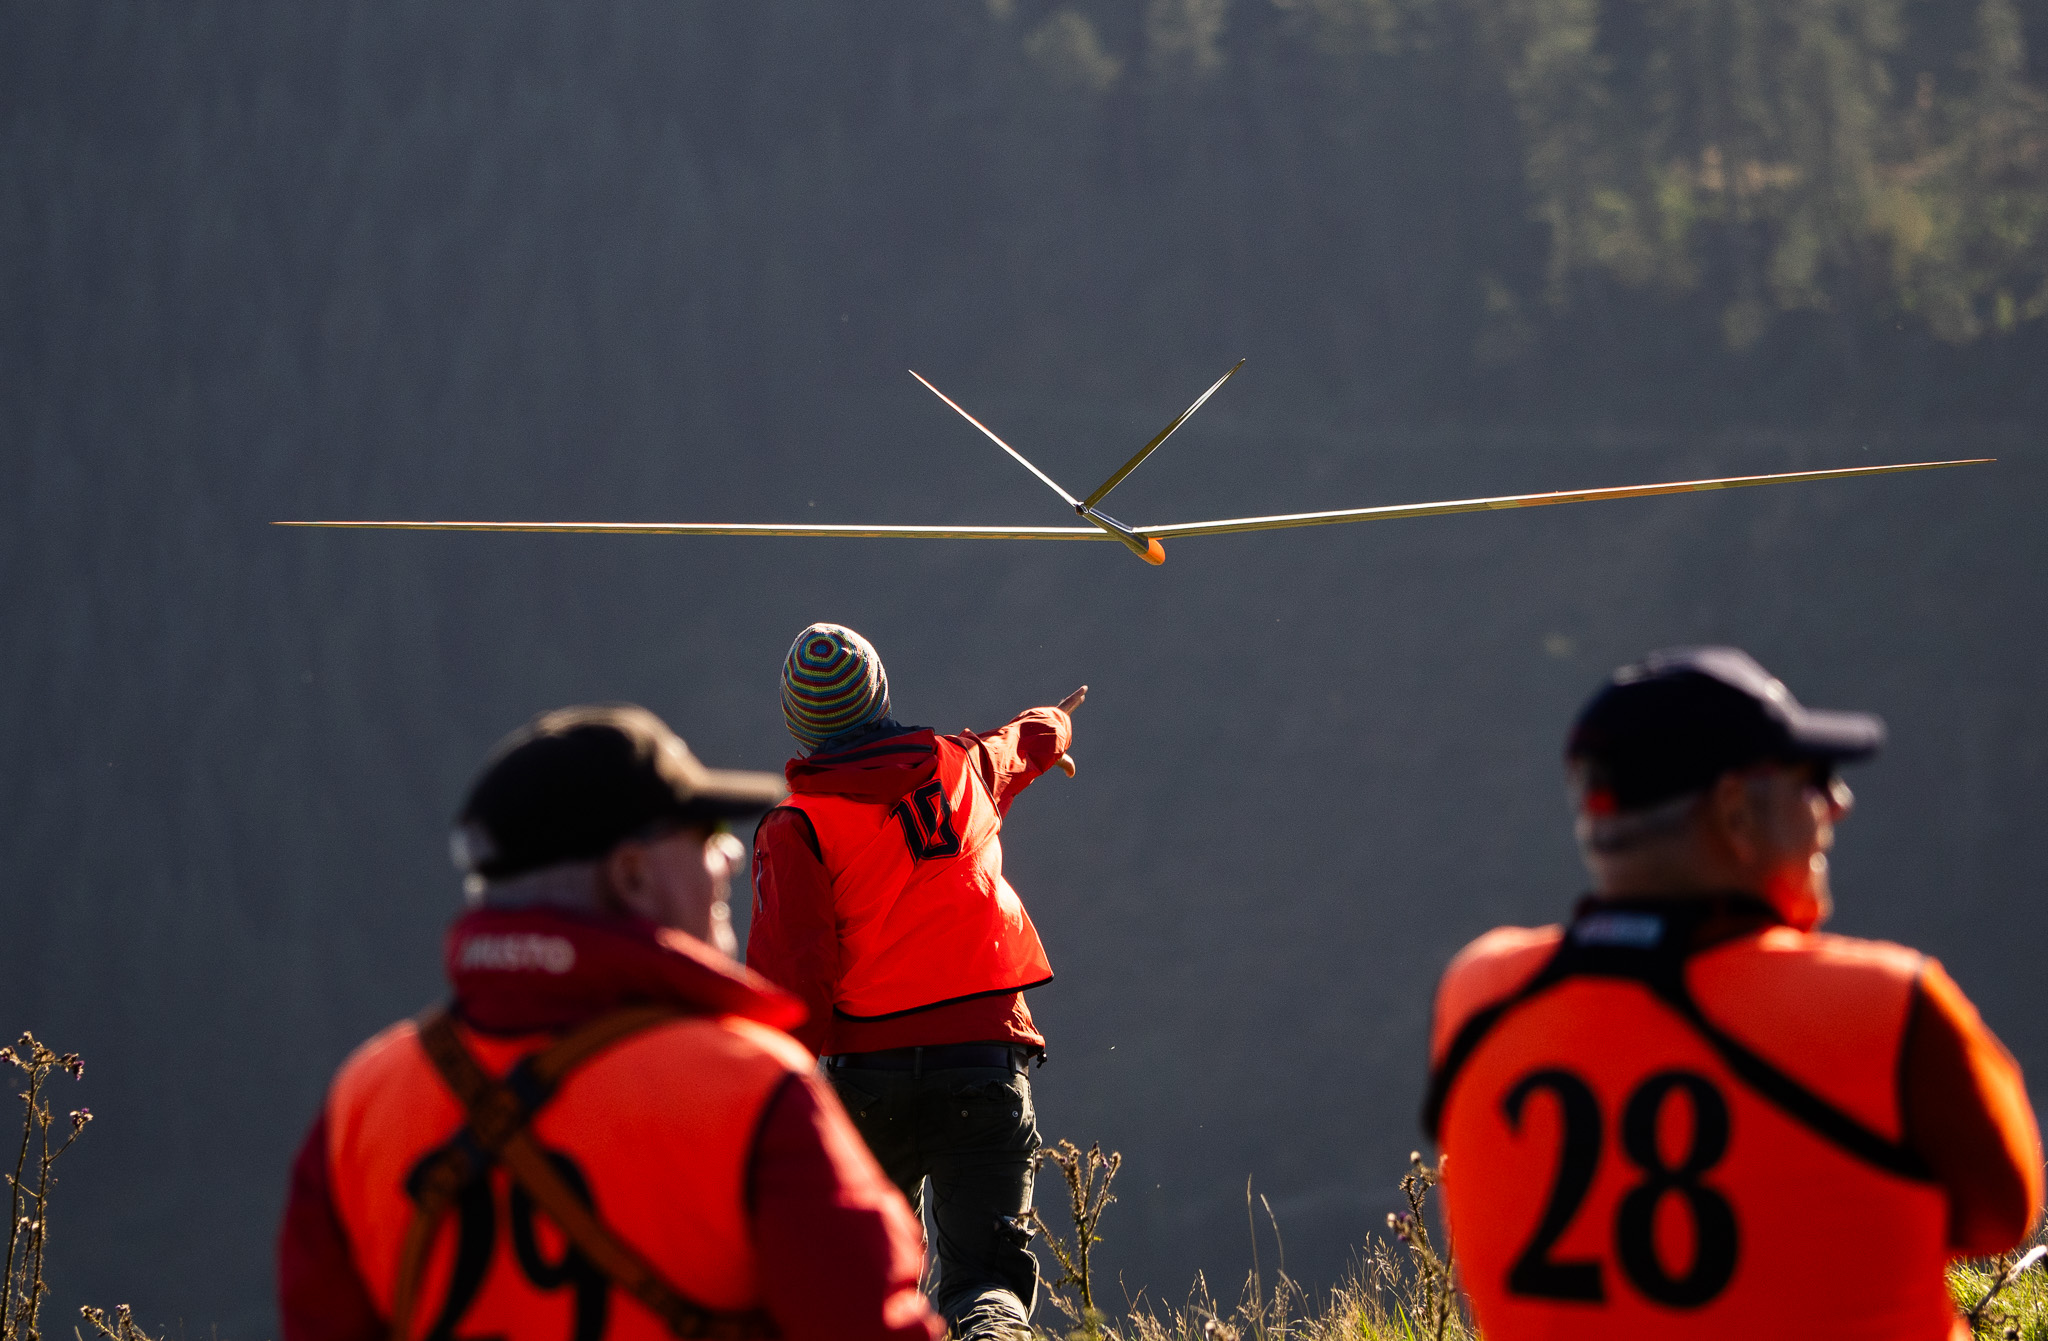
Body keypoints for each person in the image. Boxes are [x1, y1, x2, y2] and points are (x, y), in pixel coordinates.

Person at [1422, 647, 2042, 1340]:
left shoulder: (1481, 997)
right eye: (1814, 778)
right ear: (1736, 813)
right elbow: (2001, 1216)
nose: (1838, 802)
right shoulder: (1887, 1007)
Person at [277, 704, 941, 1341]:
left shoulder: (362, 1104)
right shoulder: (750, 1091)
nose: (731, 856)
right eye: (704, 834)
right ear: (630, 875)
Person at [747, 623, 1080, 1341]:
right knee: (985, 1286)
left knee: (867, 1293)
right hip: (984, 1067)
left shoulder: (796, 826)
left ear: (799, 728)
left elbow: (794, 981)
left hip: (867, 1083)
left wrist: (763, 1100)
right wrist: (1057, 724)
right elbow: (1016, 746)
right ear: (881, 693)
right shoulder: (958, 767)